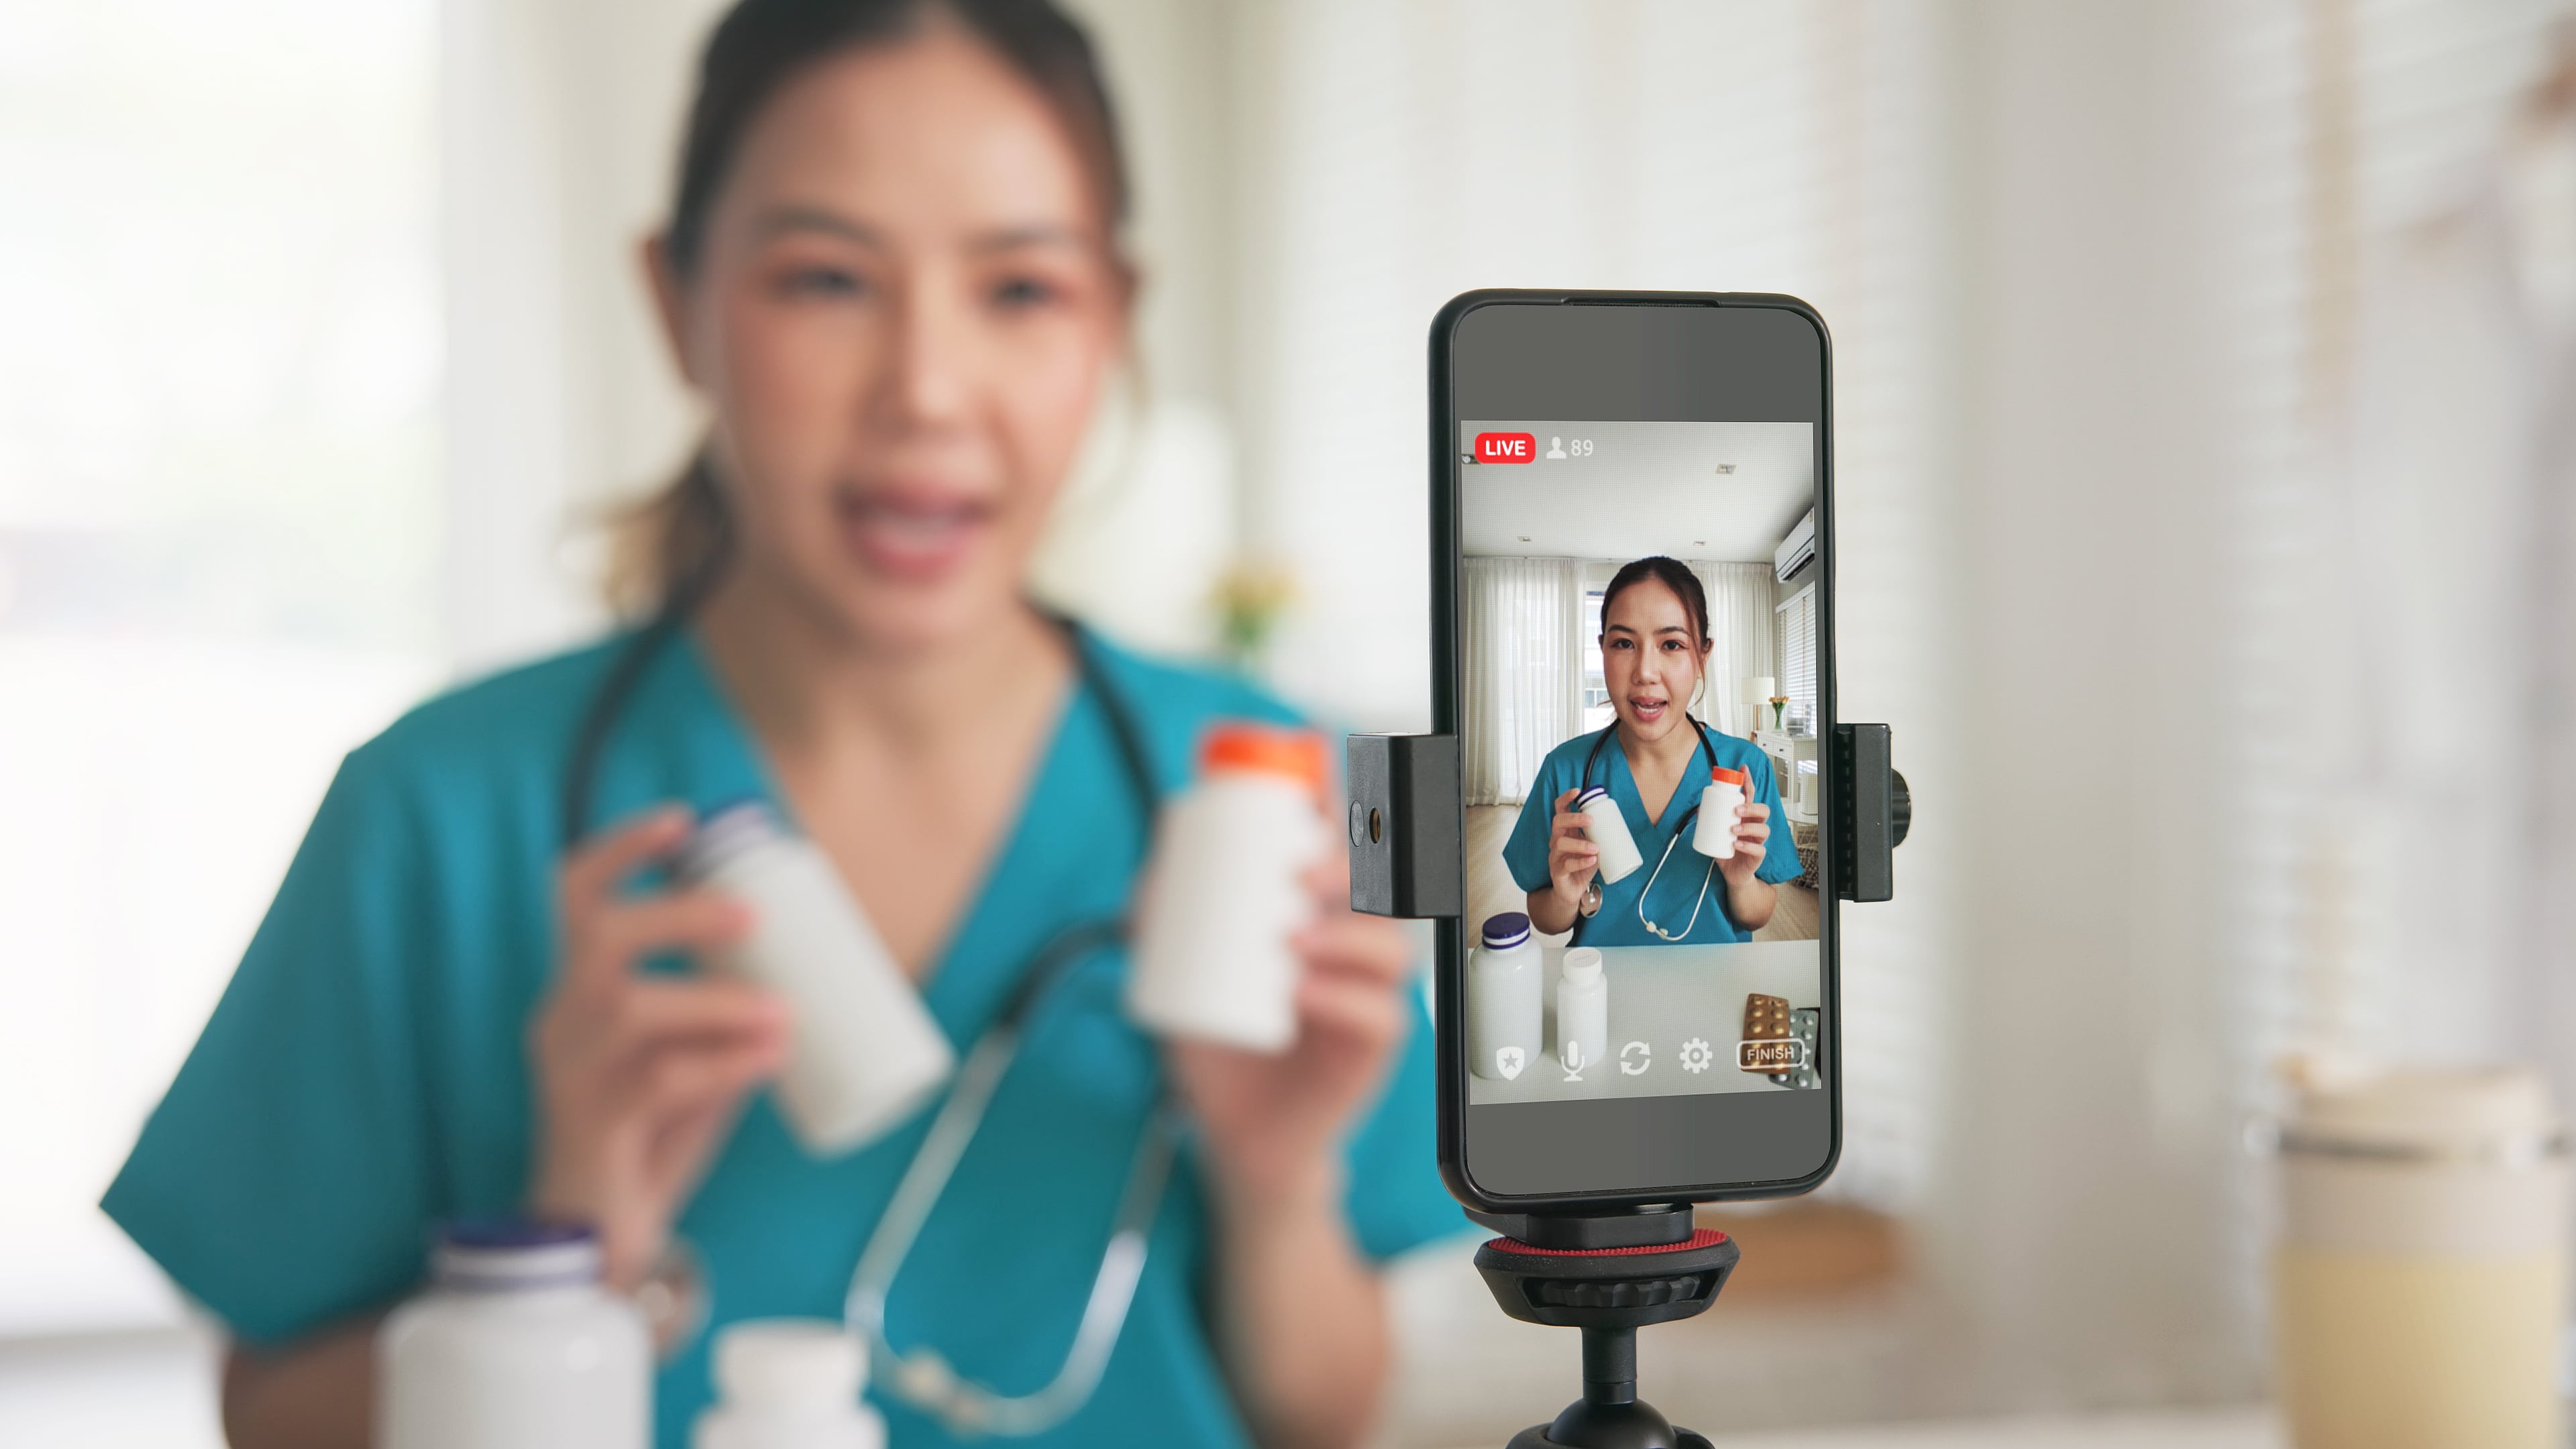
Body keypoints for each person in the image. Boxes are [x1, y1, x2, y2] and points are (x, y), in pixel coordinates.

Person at [100, 3, 1458, 1446]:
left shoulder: (1295, 798)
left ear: (1114, 319)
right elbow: (270, 1416)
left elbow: (1327, 1418)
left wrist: (1275, 1181)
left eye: (1020, 289)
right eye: (825, 280)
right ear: (674, 302)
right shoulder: (435, 810)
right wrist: (573, 1255)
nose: (926, 393)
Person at [1503, 556, 1803, 945]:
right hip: (1600, 981)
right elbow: (1546, 919)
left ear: (1703, 656)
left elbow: (1757, 916)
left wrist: (1741, 882)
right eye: (1624, 643)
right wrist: (1565, 894)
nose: (1645, 672)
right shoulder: (1565, 771)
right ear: (1602, 650)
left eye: (1672, 644)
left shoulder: (1746, 768)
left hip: (1716, 979)